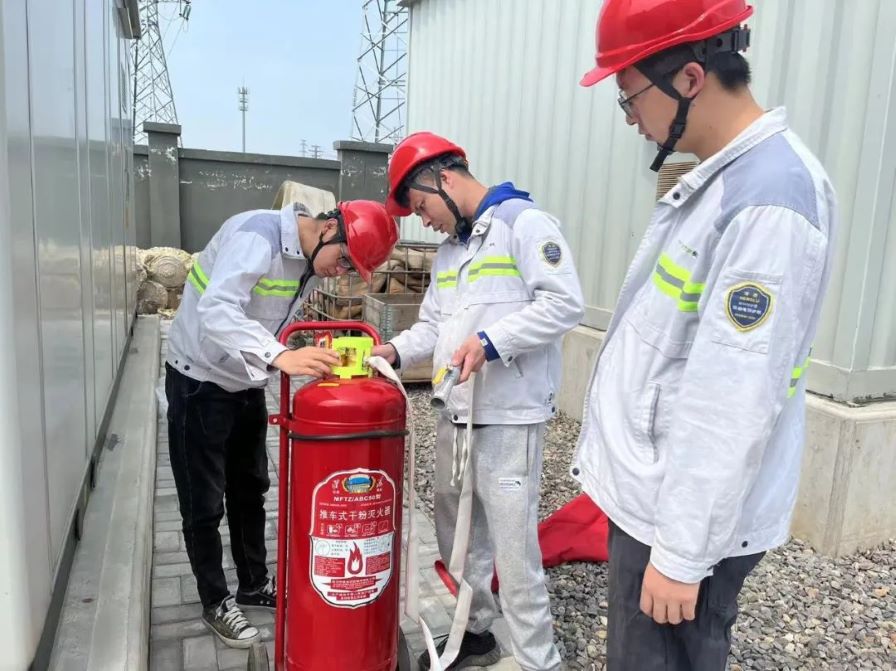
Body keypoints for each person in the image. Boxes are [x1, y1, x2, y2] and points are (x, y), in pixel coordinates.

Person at [572, 1, 838, 669]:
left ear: (690, 79)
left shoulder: (770, 199)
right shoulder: (723, 179)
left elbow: (734, 395)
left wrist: (682, 554)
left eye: (629, 97)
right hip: (661, 503)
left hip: (681, 523)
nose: (631, 118)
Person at [371, 132, 584, 671]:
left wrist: (492, 343)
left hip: (508, 420)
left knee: (514, 552)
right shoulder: (451, 251)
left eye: (421, 206)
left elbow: (565, 304)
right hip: (456, 415)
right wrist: (390, 352)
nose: (424, 220)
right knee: (458, 539)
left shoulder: (524, 224)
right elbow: (433, 326)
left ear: (444, 179)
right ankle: (477, 631)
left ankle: (540, 660)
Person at [165, 199, 398, 647]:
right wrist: (283, 356)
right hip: (199, 379)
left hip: (245, 381)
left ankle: (253, 584)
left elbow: (275, 317)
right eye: (345, 259)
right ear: (329, 228)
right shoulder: (257, 235)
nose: (342, 272)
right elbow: (218, 310)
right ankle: (215, 601)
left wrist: (313, 350)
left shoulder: (310, 264)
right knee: (203, 501)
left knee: (250, 489)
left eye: (353, 268)